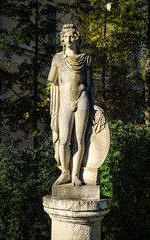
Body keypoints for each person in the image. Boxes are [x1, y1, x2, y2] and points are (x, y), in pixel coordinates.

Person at [48, 24, 95, 186]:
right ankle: (65, 172)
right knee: (64, 139)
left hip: (82, 98)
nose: (68, 39)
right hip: (65, 102)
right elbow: (53, 85)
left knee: (80, 139)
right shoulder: (57, 59)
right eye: (65, 36)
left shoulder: (85, 59)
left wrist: (94, 106)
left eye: (71, 36)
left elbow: (90, 85)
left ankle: (76, 174)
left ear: (76, 38)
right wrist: (54, 108)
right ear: (62, 39)